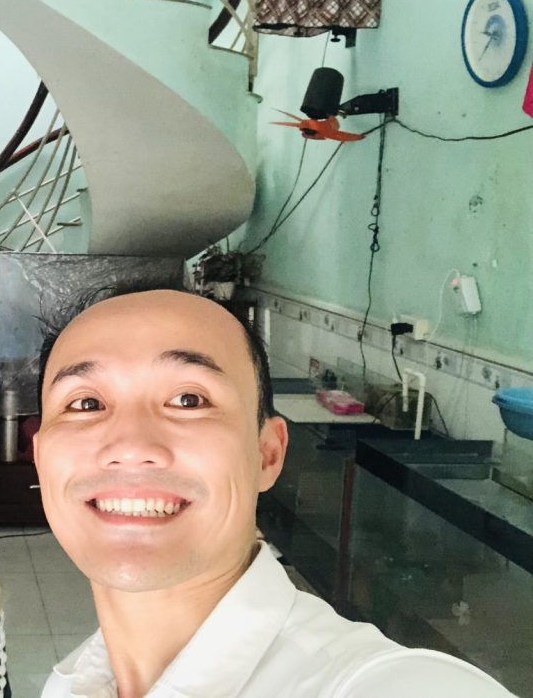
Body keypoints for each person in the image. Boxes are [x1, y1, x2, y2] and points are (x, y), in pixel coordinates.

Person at [32, 289, 513, 698]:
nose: (131, 447)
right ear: (39, 456)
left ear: (267, 453)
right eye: (85, 403)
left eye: (188, 400)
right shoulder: (73, 684)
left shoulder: (387, 685)